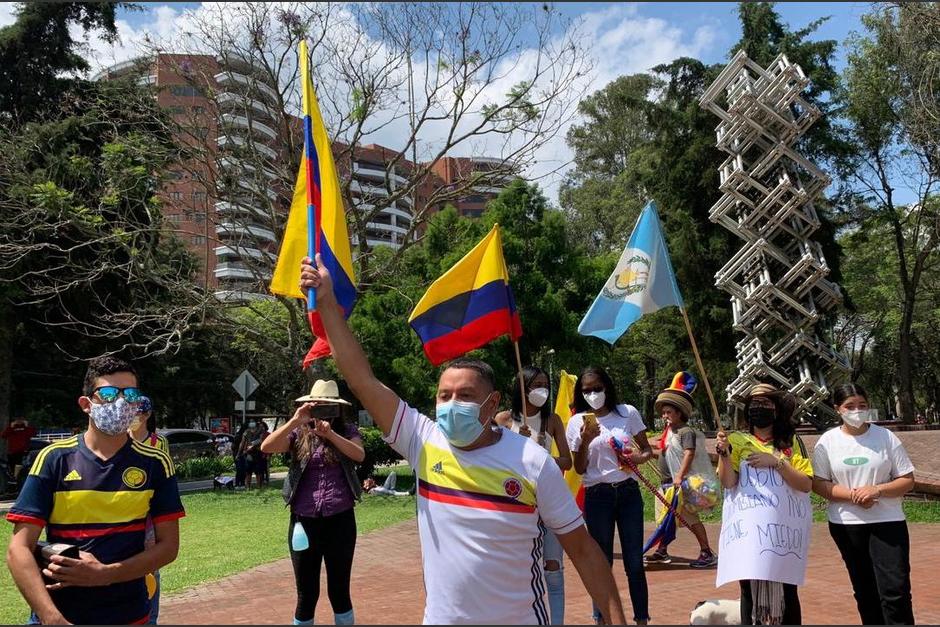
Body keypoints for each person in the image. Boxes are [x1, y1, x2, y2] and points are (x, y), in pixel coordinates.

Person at [300, 255, 626, 625]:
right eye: (445, 396)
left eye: (465, 396)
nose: (452, 404)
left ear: (493, 403)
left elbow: (583, 550)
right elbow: (362, 379)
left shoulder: (532, 461)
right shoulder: (423, 441)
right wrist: (327, 302)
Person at [5, 356, 184, 625]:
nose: (121, 402)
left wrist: (105, 574)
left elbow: (168, 547)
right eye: (109, 394)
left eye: (130, 394)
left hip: (130, 615)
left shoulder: (155, 462)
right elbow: (18, 549)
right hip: (61, 614)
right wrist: (51, 618)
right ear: (86, 404)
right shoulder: (54, 459)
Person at [262, 380, 364, 626]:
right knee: (306, 593)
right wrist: (295, 421)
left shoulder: (347, 430)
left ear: (337, 408)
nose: (323, 410)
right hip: (303, 523)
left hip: (340, 520)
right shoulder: (299, 433)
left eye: (328, 405)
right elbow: (267, 447)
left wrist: (331, 435)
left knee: (339, 591)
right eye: (318, 405)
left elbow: (359, 454)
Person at [811, 383, 915, 625]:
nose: (857, 411)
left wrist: (877, 490)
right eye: (850, 406)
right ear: (837, 409)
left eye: (862, 405)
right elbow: (819, 484)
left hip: (888, 522)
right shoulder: (827, 441)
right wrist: (854, 495)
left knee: (895, 591)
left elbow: (907, 479)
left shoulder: (886, 437)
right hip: (847, 525)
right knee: (865, 591)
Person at [715, 383, 813, 625]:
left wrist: (777, 462)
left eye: (765, 403)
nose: (759, 408)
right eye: (754, 404)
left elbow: (805, 484)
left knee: (787, 588)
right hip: (749, 535)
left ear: (776, 409)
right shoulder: (736, 440)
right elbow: (729, 482)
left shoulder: (791, 442)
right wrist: (724, 454)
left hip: (784, 534)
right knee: (748, 589)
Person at [566, 366, 654, 625]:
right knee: (601, 563)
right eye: (587, 391)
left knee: (634, 562)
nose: (593, 394)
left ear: (607, 387)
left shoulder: (627, 412)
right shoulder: (577, 421)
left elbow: (647, 450)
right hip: (597, 495)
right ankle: (602, 618)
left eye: (597, 388)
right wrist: (585, 440)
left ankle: (641, 619)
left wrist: (637, 457)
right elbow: (579, 468)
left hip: (628, 492)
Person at [495, 366, 573, 625]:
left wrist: (543, 455)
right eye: (536, 384)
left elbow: (567, 461)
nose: (543, 389)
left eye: (545, 384)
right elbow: (491, 461)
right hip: (515, 506)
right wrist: (515, 442)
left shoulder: (552, 421)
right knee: (516, 569)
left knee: (553, 568)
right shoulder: (504, 420)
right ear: (522, 388)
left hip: (548, 503)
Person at [646, 372, 718, 568]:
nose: (665, 416)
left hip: (679, 486)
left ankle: (707, 552)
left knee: (690, 519)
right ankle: (662, 550)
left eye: (669, 412)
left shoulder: (685, 432)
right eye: (663, 413)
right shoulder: (669, 433)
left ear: (679, 413)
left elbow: (689, 453)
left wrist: (679, 476)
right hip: (666, 485)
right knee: (664, 519)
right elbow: (664, 453)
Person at [128, 395, 169, 625]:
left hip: (150, 515)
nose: (135, 417)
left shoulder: (158, 442)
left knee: (151, 566)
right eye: (132, 413)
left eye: (139, 413)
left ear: (147, 415)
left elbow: (163, 476)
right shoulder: (120, 440)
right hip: (127, 511)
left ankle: (150, 618)